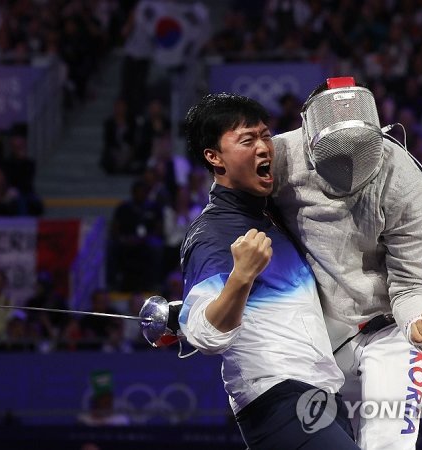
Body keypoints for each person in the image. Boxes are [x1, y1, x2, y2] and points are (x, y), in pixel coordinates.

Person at [270, 77, 422, 449]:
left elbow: (411, 284)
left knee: (386, 444)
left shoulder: (406, 181)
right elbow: (226, 221)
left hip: (389, 331)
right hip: (315, 335)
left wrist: (417, 318)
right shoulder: (277, 160)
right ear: (307, 131)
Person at [178, 93, 358, 449]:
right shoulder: (212, 234)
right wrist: (240, 277)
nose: (264, 147)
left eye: (265, 135)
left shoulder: (273, 217)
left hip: (321, 392)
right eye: (247, 140)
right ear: (214, 158)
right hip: (276, 396)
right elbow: (205, 334)